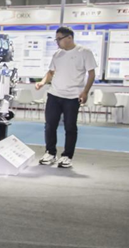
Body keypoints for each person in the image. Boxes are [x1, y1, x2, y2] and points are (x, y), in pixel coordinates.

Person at [35, 26, 96, 169]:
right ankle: (50, 153)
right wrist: (42, 82)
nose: (57, 42)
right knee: (50, 125)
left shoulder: (84, 52)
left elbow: (91, 74)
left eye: (59, 39)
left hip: (73, 96)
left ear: (69, 38)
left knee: (70, 127)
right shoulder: (57, 54)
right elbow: (50, 72)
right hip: (54, 94)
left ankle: (67, 156)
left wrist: (85, 92)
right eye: (56, 39)